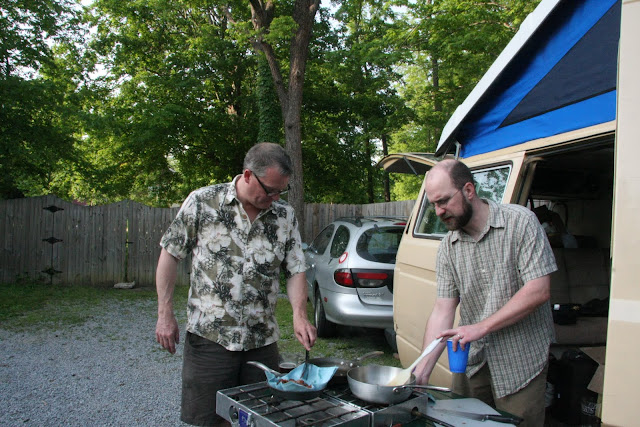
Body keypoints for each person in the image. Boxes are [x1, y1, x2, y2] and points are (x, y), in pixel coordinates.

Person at [155, 142, 317, 426]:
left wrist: (299, 315)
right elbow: (170, 255)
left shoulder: (284, 215)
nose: (275, 197)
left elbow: (295, 269)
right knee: (210, 421)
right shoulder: (203, 202)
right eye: (270, 190)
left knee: (263, 418)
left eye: (281, 191)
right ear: (248, 175)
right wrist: (164, 314)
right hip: (210, 339)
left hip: (261, 341)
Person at [413, 159, 557, 427]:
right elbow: (443, 309)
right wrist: (422, 369)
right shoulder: (448, 248)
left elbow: (538, 289)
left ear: (468, 190)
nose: (439, 211)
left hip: (521, 360)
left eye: (443, 201)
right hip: (473, 360)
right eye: (433, 204)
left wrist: (481, 327)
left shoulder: (520, 222)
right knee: (462, 422)